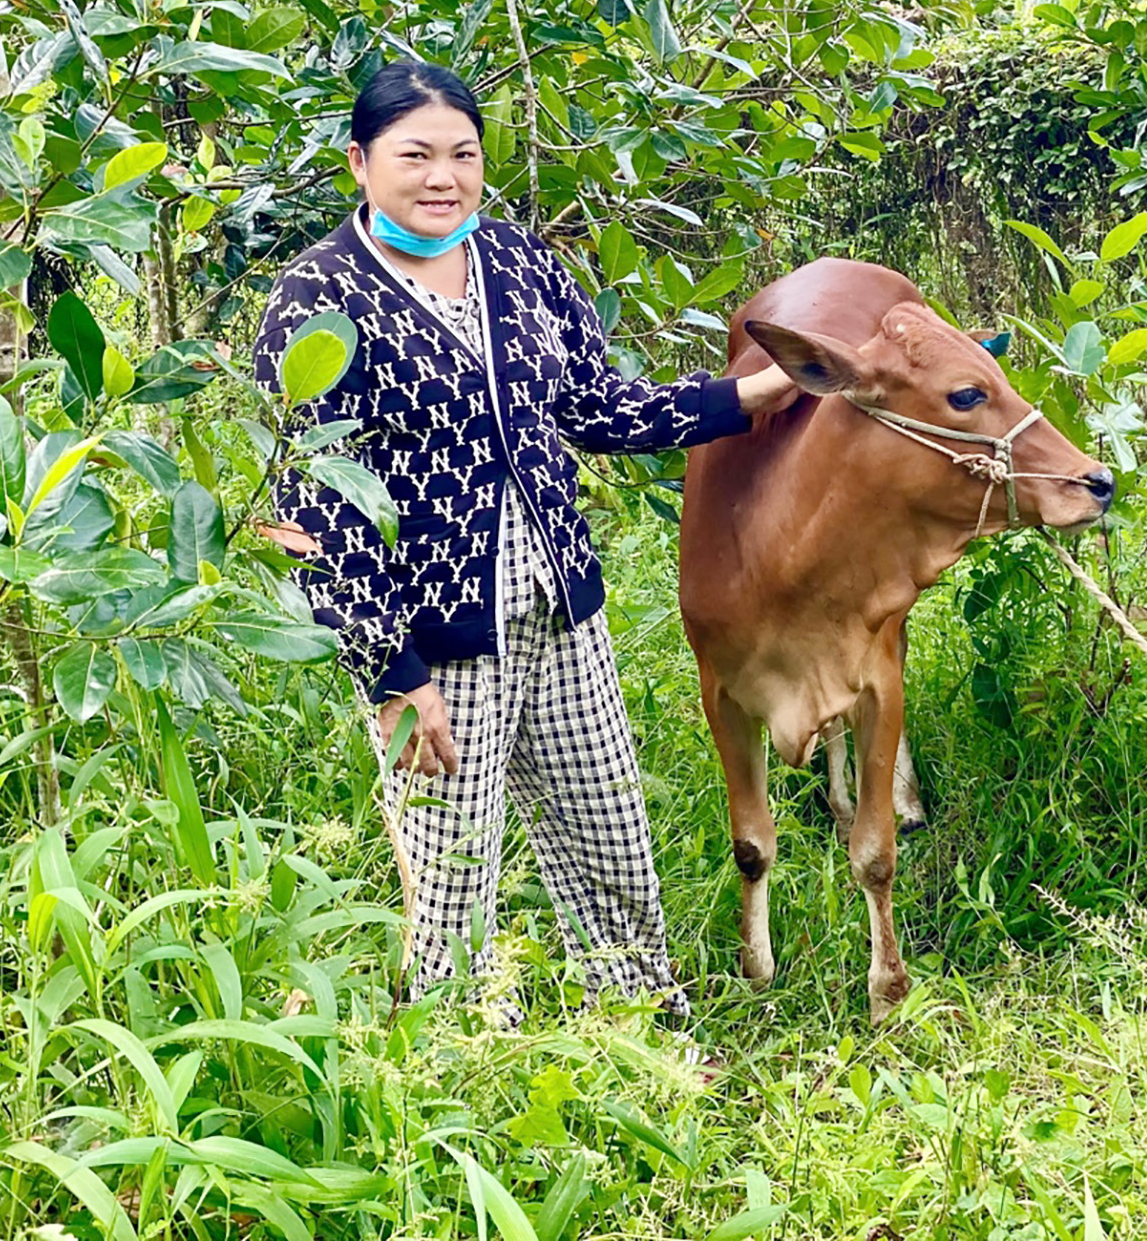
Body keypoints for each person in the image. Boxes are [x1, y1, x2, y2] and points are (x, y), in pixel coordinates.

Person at [250, 61, 797, 1025]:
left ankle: (641, 1024)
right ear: (358, 162)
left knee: (608, 825)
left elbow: (593, 402)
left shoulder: (516, 260)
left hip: (559, 604)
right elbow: (317, 504)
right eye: (413, 155)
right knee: (454, 865)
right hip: (435, 635)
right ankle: (454, 1064)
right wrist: (394, 672)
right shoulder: (317, 299)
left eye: (462, 153)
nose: (441, 177)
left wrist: (742, 399)